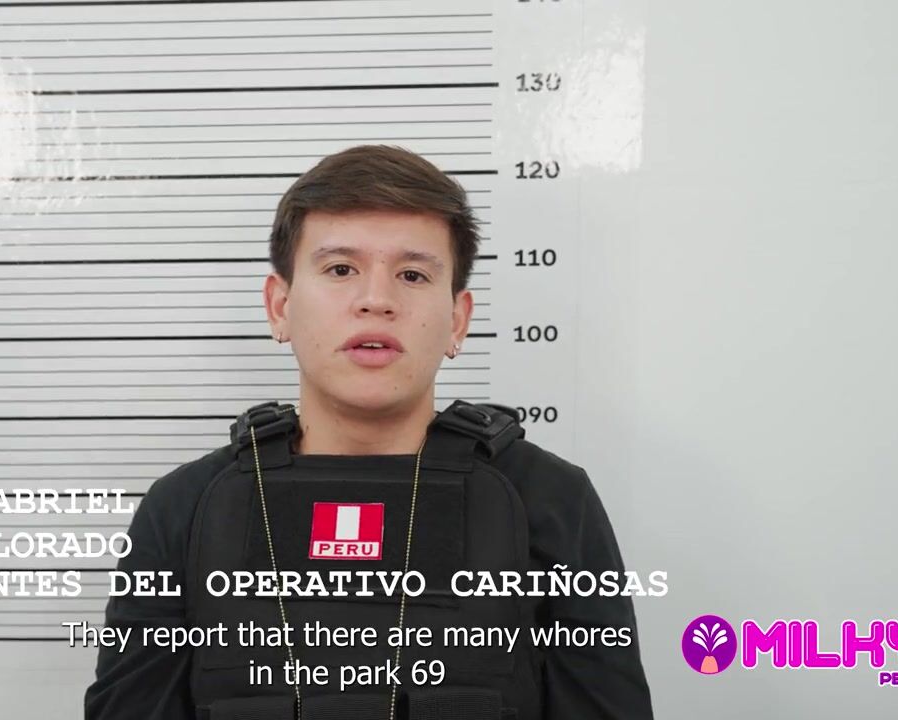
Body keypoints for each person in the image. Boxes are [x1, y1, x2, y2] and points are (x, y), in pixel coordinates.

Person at [84, 145, 653, 719]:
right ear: (280, 306)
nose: (377, 300)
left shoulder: (549, 500)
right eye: (340, 270)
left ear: (457, 319)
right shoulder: (183, 507)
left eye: (412, 274)